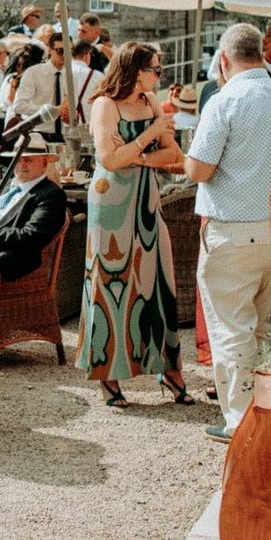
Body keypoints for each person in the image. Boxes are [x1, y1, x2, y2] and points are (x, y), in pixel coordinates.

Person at [183, 22, 271, 442]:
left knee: (231, 326)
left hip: (232, 228)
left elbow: (199, 168)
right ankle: (268, 409)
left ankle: (240, 421)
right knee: (265, 324)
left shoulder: (225, 99)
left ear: (224, 59)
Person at [82, 41, 189, 406]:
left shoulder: (149, 103)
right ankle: (109, 374)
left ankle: (168, 369)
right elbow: (109, 161)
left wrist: (137, 157)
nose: (159, 75)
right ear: (134, 70)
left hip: (146, 199)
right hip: (111, 202)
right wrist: (148, 137)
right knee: (112, 281)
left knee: (157, 280)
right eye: (154, 69)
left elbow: (173, 153)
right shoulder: (104, 105)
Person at [0, 130, 68, 278]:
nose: (22, 164)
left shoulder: (51, 195)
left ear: (44, 163)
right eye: (18, 159)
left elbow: (30, 235)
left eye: (28, 160)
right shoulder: (4, 185)